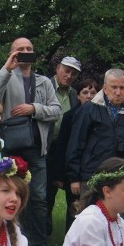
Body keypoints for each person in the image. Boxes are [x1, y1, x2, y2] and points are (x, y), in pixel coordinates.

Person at [0, 37, 62, 246]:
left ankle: (38, 243)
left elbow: (56, 110)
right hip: (9, 147)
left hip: (37, 149)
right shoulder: (4, 76)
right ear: (11, 53)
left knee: (38, 196)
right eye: (20, 49)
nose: (25, 52)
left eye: (29, 49)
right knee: (7, 194)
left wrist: (34, 109)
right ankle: (9, 239)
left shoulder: (44, 82)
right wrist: (6, 69)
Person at [65, 68, 124, 226]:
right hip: (91, 175)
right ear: (105, 88)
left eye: (122, 88)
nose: (118, 92)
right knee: (89, 219)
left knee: (116, 221)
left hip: (120, 176)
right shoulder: (88, 109)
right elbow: (75, 143)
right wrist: (74, 178)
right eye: (114, 87)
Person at [47, 78, 99, 233]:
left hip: (92, 169)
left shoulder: (101, 115)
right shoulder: (70, 115)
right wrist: (60, 176)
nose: (89, 96)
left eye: (93, 92)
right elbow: (62, 145)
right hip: (73, 170)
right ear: (78, 95)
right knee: (74, 207)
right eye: (85, 92)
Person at [46, 56, 82, 238]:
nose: (69, 75)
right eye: (66, 70)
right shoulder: (45, 86)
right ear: (58, 68)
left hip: (63, 148)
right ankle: (43, 233)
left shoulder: (74, 94)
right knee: (45, 193)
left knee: (63, 189)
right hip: (45, 145)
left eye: (73, 73)